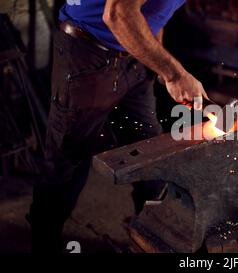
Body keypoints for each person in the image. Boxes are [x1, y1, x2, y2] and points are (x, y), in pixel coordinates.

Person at [27, 0, 207, 253]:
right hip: (88, 55)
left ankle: (153, 239)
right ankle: (44, 243)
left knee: (150, 153)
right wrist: (174, 74)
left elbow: (152, 13)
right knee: (68, 160)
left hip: (133, 59)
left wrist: (158, 63)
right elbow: (118, 14)